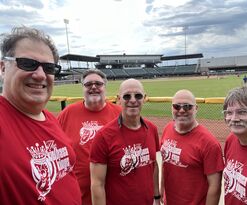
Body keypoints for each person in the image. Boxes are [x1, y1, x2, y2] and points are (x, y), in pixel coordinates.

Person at [0, 26, 81, 204]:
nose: (40, 75)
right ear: (3, 68)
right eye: (27, 63)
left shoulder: (50, 118)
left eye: (49, 67)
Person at [90, 78, 160, 205]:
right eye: (127, 96)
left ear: (144, 98)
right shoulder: (103, 136)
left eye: (138, 96)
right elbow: (97, 184)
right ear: (118, 99)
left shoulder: (152, 129)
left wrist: (157, 197)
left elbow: (153, 165)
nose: (133, 100)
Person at [57, 69, 121, 205]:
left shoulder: (119, 114)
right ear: (83, 88)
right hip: (78, 194)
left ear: (105, 87)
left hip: (115, 193)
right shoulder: (67, 113)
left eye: (98, 83)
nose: (93, 87)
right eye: (88, 84)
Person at [160, 89, 224, 205]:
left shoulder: (209, 143)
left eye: (188, 106)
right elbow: (166, 164)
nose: (182, 110)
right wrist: (161, 188)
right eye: (177, 106)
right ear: (171, 108)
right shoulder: (167, 129)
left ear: (196, 108)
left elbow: (215, 186)